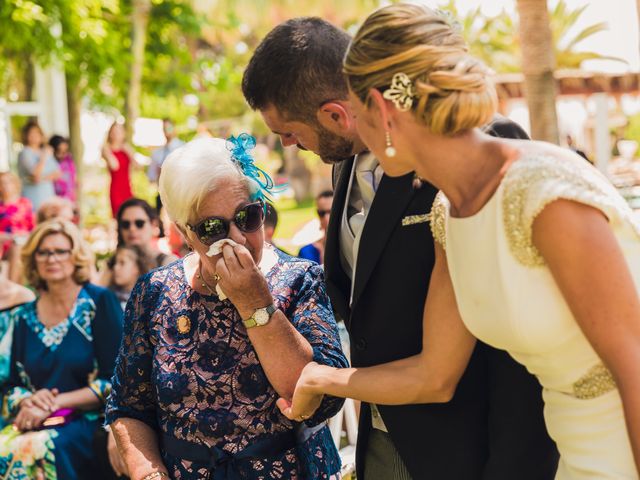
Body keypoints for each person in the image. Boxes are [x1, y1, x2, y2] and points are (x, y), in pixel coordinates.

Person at [278, 4, 640, 479]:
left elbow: (634, 363)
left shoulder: (545, 194)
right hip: (570, 454)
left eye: (355, 109)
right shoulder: (448, 214)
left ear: (383, 110)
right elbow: (434, 373)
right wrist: (321, 378)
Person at [243, 14, 558, 480]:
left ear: (336, 113)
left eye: (287, 129)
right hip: (380, 438)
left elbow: (517, 345)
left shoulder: (485, 147)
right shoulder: (342, 162)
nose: (287, 143)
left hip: (467, 446)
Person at [105, 136, 348, 479]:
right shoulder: (156, 292)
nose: (236, 237)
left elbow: (322, 397)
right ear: (184, 234)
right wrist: (148, 473)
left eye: (248, 217)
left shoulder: (300, 279)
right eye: (213, 228)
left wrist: (255, 303)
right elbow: (129, 407)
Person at [0, 219, 123, 479]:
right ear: (33, 260)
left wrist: (54, 403)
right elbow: (10, 385)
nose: (51, 259)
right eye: (43, 252)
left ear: (75, 255)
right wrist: (27, 400)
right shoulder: (23, 317)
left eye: (60, 251)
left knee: (35, 448)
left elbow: (116, 379)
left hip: (88, 419)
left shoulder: (99, 303)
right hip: (35, 420)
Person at [0, 171, 35, 283]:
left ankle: (12, 286)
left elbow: (33, 229)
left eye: (8, 182)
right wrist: (9, 237)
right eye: (2, 183)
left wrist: (20, 236)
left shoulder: (25, 203)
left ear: (15, 184)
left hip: (22, 243)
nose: (5, 186)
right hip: (3, 242)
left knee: (17, 245)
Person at [17, 121, 61, 211]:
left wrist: (41, 179)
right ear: (26, 136)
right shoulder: (25, 153)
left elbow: (57, 173)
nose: (35, 135)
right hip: (32, 196)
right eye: (31, 133)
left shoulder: (45, 150)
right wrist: (43, 158)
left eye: (37, 132)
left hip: (48, 194)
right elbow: (35, 173)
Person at [148, 118, 184, 213]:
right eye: (164, 128)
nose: (166, 131)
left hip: (180, 195)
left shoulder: (183, 149)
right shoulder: (157, 153)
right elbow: (151, 176)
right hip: (163, 196)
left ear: (174, 129)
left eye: (169, 128)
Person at [102, 122, 135, 217]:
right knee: (119, 216)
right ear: (110, 134)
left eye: (119, 131)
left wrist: (129, 153)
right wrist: (108, 152)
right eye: (114, 131)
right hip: (116, 189)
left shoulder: (127, 148)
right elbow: (115, 166)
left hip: (127, 187)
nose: (117, 134)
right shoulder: (106, 149)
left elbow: (137, 166)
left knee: (130, 215)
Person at [107, 244, 152, 309]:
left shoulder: (148, 299)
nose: (115, 267)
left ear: (137, 267)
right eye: (115, 263)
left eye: (122, 263)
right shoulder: (109, 297)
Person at [298, 190, 333, 264]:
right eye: (322, 213)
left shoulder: (349, 247)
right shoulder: (306, 252)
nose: (327, 218)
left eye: (332, 212)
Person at [49, 135, 78, 204]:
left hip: (69, 198)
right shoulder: (50, 161)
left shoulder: (69, 160)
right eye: (60, 151)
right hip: (55, 198)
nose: (63, 154)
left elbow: (73, 178)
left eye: (65, 151)